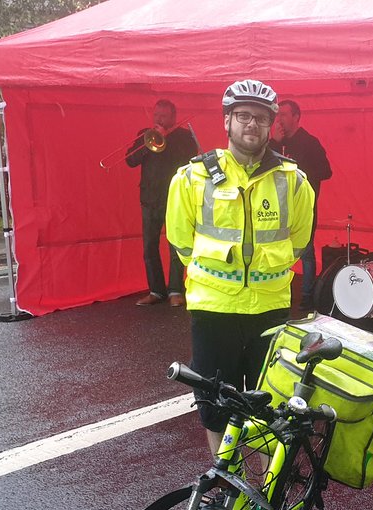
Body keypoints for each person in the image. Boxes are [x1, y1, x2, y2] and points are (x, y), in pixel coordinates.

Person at [166, 80, 316, 452]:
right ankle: (224, 483)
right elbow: (181, 241)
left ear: (271, 126)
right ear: (227, 122)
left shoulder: (294, 181)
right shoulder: (191, 178)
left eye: (261, 118)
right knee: (215, 407)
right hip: (214, 308)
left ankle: (264, 496)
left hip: (269, 308)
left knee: (269, 406)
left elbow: (299, 240)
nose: (252, 124)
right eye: (243, 116)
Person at [126, 99, 198, 307]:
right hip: (149, 198)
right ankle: (156, 290)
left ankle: (175, 289)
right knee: (149, 247)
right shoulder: (144, 134)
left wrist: (166, 141)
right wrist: (148, 145)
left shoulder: (183, 137)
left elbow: (189, 160)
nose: (159, 119)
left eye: (163, 116)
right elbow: (130, 160)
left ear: (173, 117)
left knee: (175, 246)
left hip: (175, 199)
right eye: (156, 115)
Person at [269, 99, 332, 308]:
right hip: (277, 206)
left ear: (296, 117)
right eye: (277, 115)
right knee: (276, 248)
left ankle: (307, 296)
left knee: (306, 251)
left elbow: (326, 171)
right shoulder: (275, 142)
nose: (279, 120)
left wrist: (298, 174)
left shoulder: (309, 142)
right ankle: (278, 291)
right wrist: (274, 143)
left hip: (303, 205)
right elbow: (260, 167)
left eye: (284, 115)